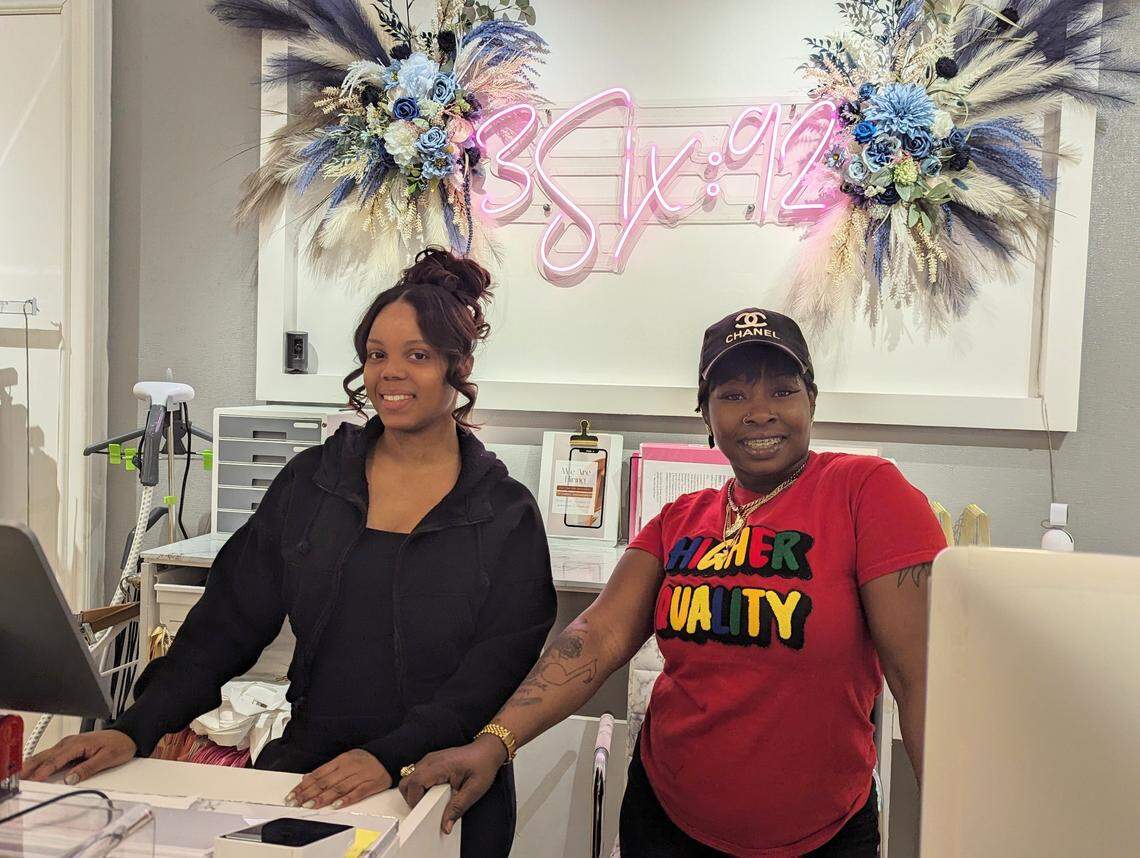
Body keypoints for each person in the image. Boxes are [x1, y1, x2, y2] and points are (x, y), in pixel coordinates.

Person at [24, 248, 557, 858]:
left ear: (458, 367)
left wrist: (389, 756)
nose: (390, 373)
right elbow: (226, 624)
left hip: (443, 779)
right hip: (314, 770)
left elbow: (496, 671)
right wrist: (135, 728)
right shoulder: (315, 483)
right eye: (377, 355)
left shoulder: (502, 512)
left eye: (418, 356)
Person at [400, 308, 947, 857]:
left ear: (811, 401)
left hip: (820, 838)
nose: (759, 413)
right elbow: (597, 636)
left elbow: (919, 678)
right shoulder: (680, 519)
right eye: (732, 395)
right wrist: (495, 743)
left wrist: (957, 828)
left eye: (782, 391)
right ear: (705, 416)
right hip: (665, 824)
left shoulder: (866, 492)